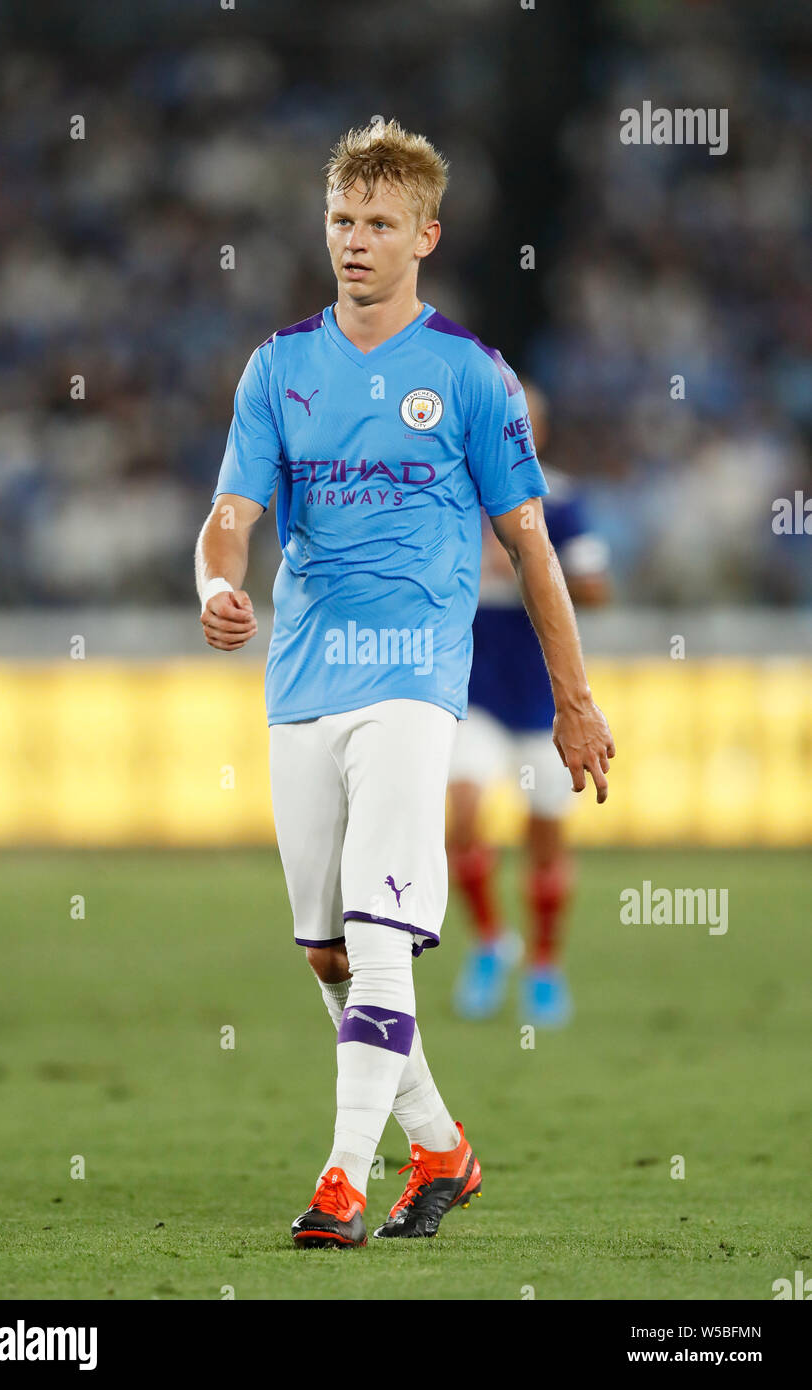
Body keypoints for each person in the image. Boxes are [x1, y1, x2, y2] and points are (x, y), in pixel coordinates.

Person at [195, 119, 614, 1249]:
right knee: (329, 952)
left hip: (415, 684)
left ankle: (339, 1182)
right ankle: (438, 1146)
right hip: (299, 685)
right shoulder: (278, 368)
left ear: (424, 235)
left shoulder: (472, 377)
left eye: (380, 223)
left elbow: (529, 547)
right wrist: (214, 584)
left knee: (378, 937)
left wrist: (575, 701)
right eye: (341, 220)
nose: (355, 241)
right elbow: (229, 519)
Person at [447, 382, 611, 1025]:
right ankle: (491, 941)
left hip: (545, 699)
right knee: (462, 812)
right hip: (471, 691)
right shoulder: (452, 495)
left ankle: (544, 965)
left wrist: (531, 567)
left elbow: (597, 590)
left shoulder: (561, 502)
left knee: (544, 836)